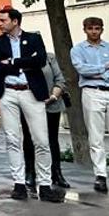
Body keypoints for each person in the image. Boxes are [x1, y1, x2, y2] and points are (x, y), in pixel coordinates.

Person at [0, 7, 63, 203]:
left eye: (3, 20)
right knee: (12, 139)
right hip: (7, 93)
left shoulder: (33, 38)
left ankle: (45, 185)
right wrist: (23, 62)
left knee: (41, 140)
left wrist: (12, 61)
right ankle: (19, 184)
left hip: (31, 91)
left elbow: (39, 61)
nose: (0, 23)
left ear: (15, 21)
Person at [69, 17, 109, 193]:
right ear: (85, 30)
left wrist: (100, 74)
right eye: (90, 28)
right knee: (95, 135)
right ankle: (100, 175)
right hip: (92, 91)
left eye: (97, 28)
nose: (94, 32)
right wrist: (105, 67)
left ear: (102, 30)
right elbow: (82, 69)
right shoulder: (78, 50)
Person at [22, 52, 71, 191]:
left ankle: (56, 173)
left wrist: (53, 97)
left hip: (52, 104)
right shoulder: (22, 58)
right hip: (30, 104)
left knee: (52, 139)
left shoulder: (50, 58)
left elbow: (60, 80)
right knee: (30, 139)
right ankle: (30, 173)